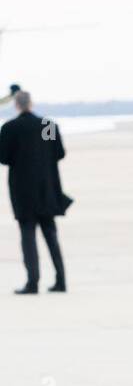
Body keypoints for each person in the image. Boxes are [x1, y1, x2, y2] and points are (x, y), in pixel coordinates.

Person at [0, 89, 71, 294]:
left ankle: (33, 282)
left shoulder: (11, 127)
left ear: (17, 105)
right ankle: (61, 280)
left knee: (28, 236)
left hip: (23, 192)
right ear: (31, 104)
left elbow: (3, 157)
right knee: (51, 235)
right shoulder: (46, 125)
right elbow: (58, 152)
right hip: (46, 189)